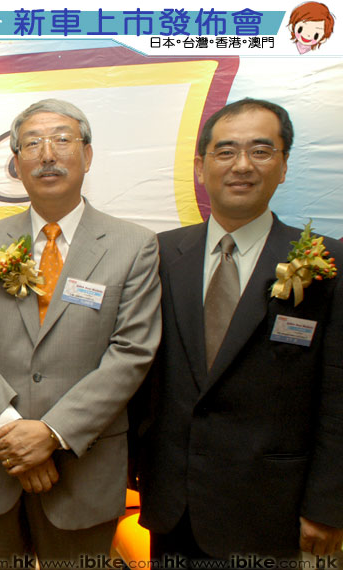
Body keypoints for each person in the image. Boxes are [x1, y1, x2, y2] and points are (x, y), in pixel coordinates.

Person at [0, 99, 162, 565]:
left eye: (62, 140)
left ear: (87, 155)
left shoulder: (134, 245)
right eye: (32, 143)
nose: (47, 154)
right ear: (16, 162)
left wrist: (51, 433)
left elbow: (131, 353)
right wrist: (11, 430)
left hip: (83, 470)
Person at [135, 98, 343, 565]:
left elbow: (338, 392)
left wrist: (329, 504)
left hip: (273, 507)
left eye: (261, 151)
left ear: (284, 165)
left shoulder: (327, 263)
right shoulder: (159, 255)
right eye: (226, 151)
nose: (242, 165)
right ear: (200, 167)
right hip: (173, 504)